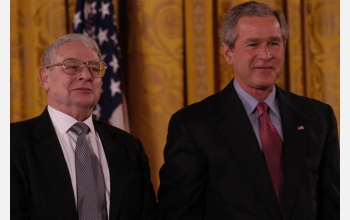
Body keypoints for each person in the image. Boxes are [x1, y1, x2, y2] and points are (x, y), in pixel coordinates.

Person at [157, 1, 340, 219]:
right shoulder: (192, 124)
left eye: (274, 43)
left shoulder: (319, 117)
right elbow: (179, 214)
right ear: (228, 54)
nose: (266, 55)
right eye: (253, 44)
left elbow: (333, 207)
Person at [11, 33, 163, 220]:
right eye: (72, 67)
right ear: (45, 78)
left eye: (94, 68)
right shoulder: (11, 144)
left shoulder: (129, 147)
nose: (86, 75)